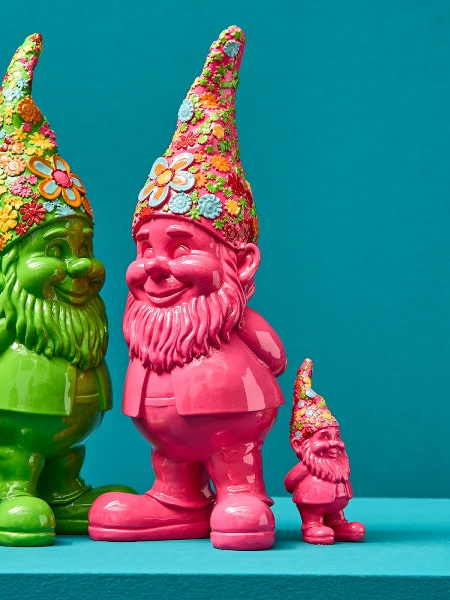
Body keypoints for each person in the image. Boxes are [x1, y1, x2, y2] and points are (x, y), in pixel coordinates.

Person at [89, 26, 286, 551]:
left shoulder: (232, 320)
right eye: (144, 249)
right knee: (154, 474)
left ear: (241, 262)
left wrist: (247, 328)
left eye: (180, 248)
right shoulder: (149, 333)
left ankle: (240, 491)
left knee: (234, 464)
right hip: (165, 436)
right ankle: (177, 500)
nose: (154, 267)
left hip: (233, 427)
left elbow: (273, 356)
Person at [0, 33, 131, 546]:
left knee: (66, 454)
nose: (81, 264)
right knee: (14, 450)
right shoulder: (8, 322)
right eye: (55, 249)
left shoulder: (80, 326)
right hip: (11, 423)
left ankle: (62, 489)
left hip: (71, 425)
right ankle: (9, 491)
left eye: (85, 246)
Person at [284, 358, 365, 544]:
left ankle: (338, 523)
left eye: (337, 436)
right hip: (312, 502)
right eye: (324, 438)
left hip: (337, 503)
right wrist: (305, 467)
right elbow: (289, 483)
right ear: (299, 445)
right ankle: (312, 525)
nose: (335, 443)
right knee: (314, 519)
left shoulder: (338, 467)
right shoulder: (308, 466)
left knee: (342, 520)